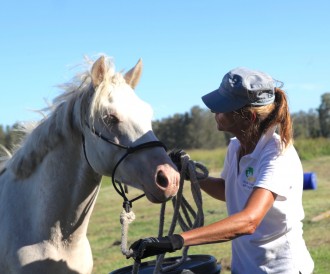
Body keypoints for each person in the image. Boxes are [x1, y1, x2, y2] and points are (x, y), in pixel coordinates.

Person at [129, 67, 314, 273]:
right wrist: (192, 175)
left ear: (248, 117)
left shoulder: (277, 156)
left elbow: (249, 220)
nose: (214, 112)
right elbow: (229, 190)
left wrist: (175, 241)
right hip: (244, 268)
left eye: (222, 107)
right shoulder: (235, 146)